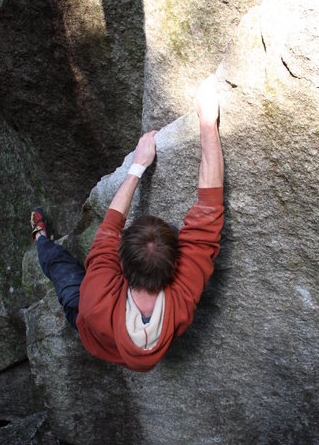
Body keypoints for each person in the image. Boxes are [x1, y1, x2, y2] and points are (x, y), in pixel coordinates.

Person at [31, 76, 224, 372]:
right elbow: (209, 208)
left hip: (87, 322)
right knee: (67, 276)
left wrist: (137, 166)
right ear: (175, 264)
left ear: (120, 264)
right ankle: (43, 241)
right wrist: (208, 122)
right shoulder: (182, 297)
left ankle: (41, 240)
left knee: (60, 271)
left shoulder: (95, 298)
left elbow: (108, 228)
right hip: (124, 335)